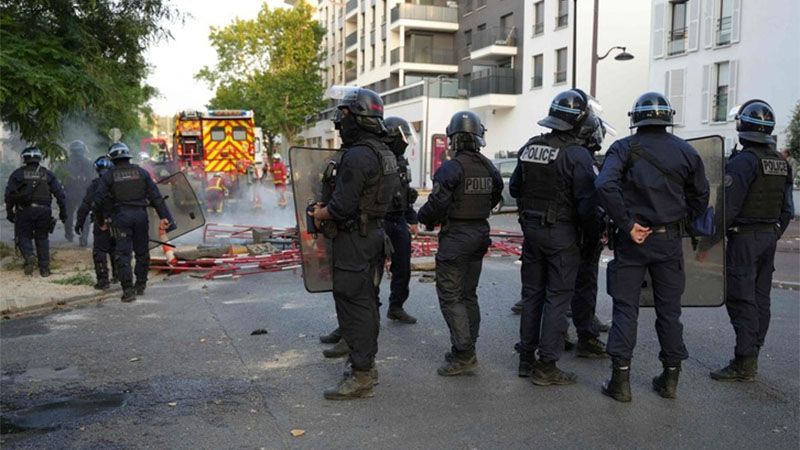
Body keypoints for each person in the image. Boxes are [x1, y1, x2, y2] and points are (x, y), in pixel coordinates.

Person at [596, 92, 709, 402]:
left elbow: (604, 185)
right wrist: (684, 223)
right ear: (667, 118)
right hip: (669, 241)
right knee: (670, 312)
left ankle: (620, 383)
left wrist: (627, 224)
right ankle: (670, 380)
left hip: (631, 242)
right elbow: (701, 196)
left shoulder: (622, 148)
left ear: (636, 119)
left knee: (625, 310)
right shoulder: (686, 151)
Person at [309, 87, 399, 400]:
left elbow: (343, 206)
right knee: (367, 301)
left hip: (354, 239)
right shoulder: (384, 152)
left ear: (358, 118)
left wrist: (321, 212)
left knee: (354, 304)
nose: (339, 122)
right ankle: (365, 367)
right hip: (374, 235)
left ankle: (361, 374)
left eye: (344, 116)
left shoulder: (358, 155)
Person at [509, 89, 603, 386]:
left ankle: (526, 358)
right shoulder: (578, 155)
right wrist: (591, 237)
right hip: (562, 234)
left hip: (532, 233)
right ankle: (547, 366)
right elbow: (587, 205)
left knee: (532, 294)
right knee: (558, 298)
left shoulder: (531, 147)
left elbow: (514, 189)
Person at [710, 100, 794, 382]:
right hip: (769, 237)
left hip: (745, 239)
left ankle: (744, 361)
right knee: (760, 297)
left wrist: (709, 241)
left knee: (741, 297)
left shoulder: (743, 161)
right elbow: (788, 209)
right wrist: (773, 232)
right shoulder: (781, 162)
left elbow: (728, 209)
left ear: (743, 126)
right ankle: (753, 352)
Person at [417, 111, 503, 377]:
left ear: (453, 138)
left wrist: (424, 219)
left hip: (457, 238)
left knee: (451, 296)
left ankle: (464, 354)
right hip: (479, 234)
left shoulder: (451, 167)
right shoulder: (489, 166)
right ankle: (466, 347)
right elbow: (496, 195)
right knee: (468, 294)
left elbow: (438, 203)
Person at [94, 143, 175, 303]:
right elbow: (156, 197)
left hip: (121, 218)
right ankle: (141, 285)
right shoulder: (141, 172)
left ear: (112, 158)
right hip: (140, 216)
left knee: (122, 254)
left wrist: (101, 220)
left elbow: (97, 201)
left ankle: (128, 291)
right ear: (127, 156)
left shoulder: (109, 175)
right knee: (142, 251)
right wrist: (165, 217)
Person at [4, 146, 67, 277]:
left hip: (24, 210)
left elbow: (9, 195)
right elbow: (60, 195)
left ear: (24, 159)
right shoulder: (47, 174)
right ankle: (44, 269)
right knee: (42, 238)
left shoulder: (18, 174)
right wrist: (63, 212)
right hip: (44, 211)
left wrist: (9, 212)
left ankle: (29, 256)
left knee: (23, 236)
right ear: (39, 158)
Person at [381, 116, 420, 324]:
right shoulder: (376, 158)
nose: (405, 142)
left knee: (402, 268)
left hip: (398, 220)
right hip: (379, 221)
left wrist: (412, 219)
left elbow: (405, 194)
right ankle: (367, 313)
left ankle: (396, 306)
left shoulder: (402, 162)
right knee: (373, 270)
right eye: (402, 137)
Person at [74, 156, 117, 289]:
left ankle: (103, 281)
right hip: (118, 222)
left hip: (101, 223)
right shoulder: (118, 184)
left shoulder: (95, 185)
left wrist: (79, 222)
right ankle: (118, 275)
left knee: (100, 251)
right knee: (116, 249)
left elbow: (85, 205)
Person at [62, 140, 93, 246]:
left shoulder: (65, 163)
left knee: (68, 215)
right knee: (84, 216)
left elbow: (61, 178)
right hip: (83, 193)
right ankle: (83, 237)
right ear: (83, 150)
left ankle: (69, 234)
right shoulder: (88, 163)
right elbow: (92, 179)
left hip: (70, 193)